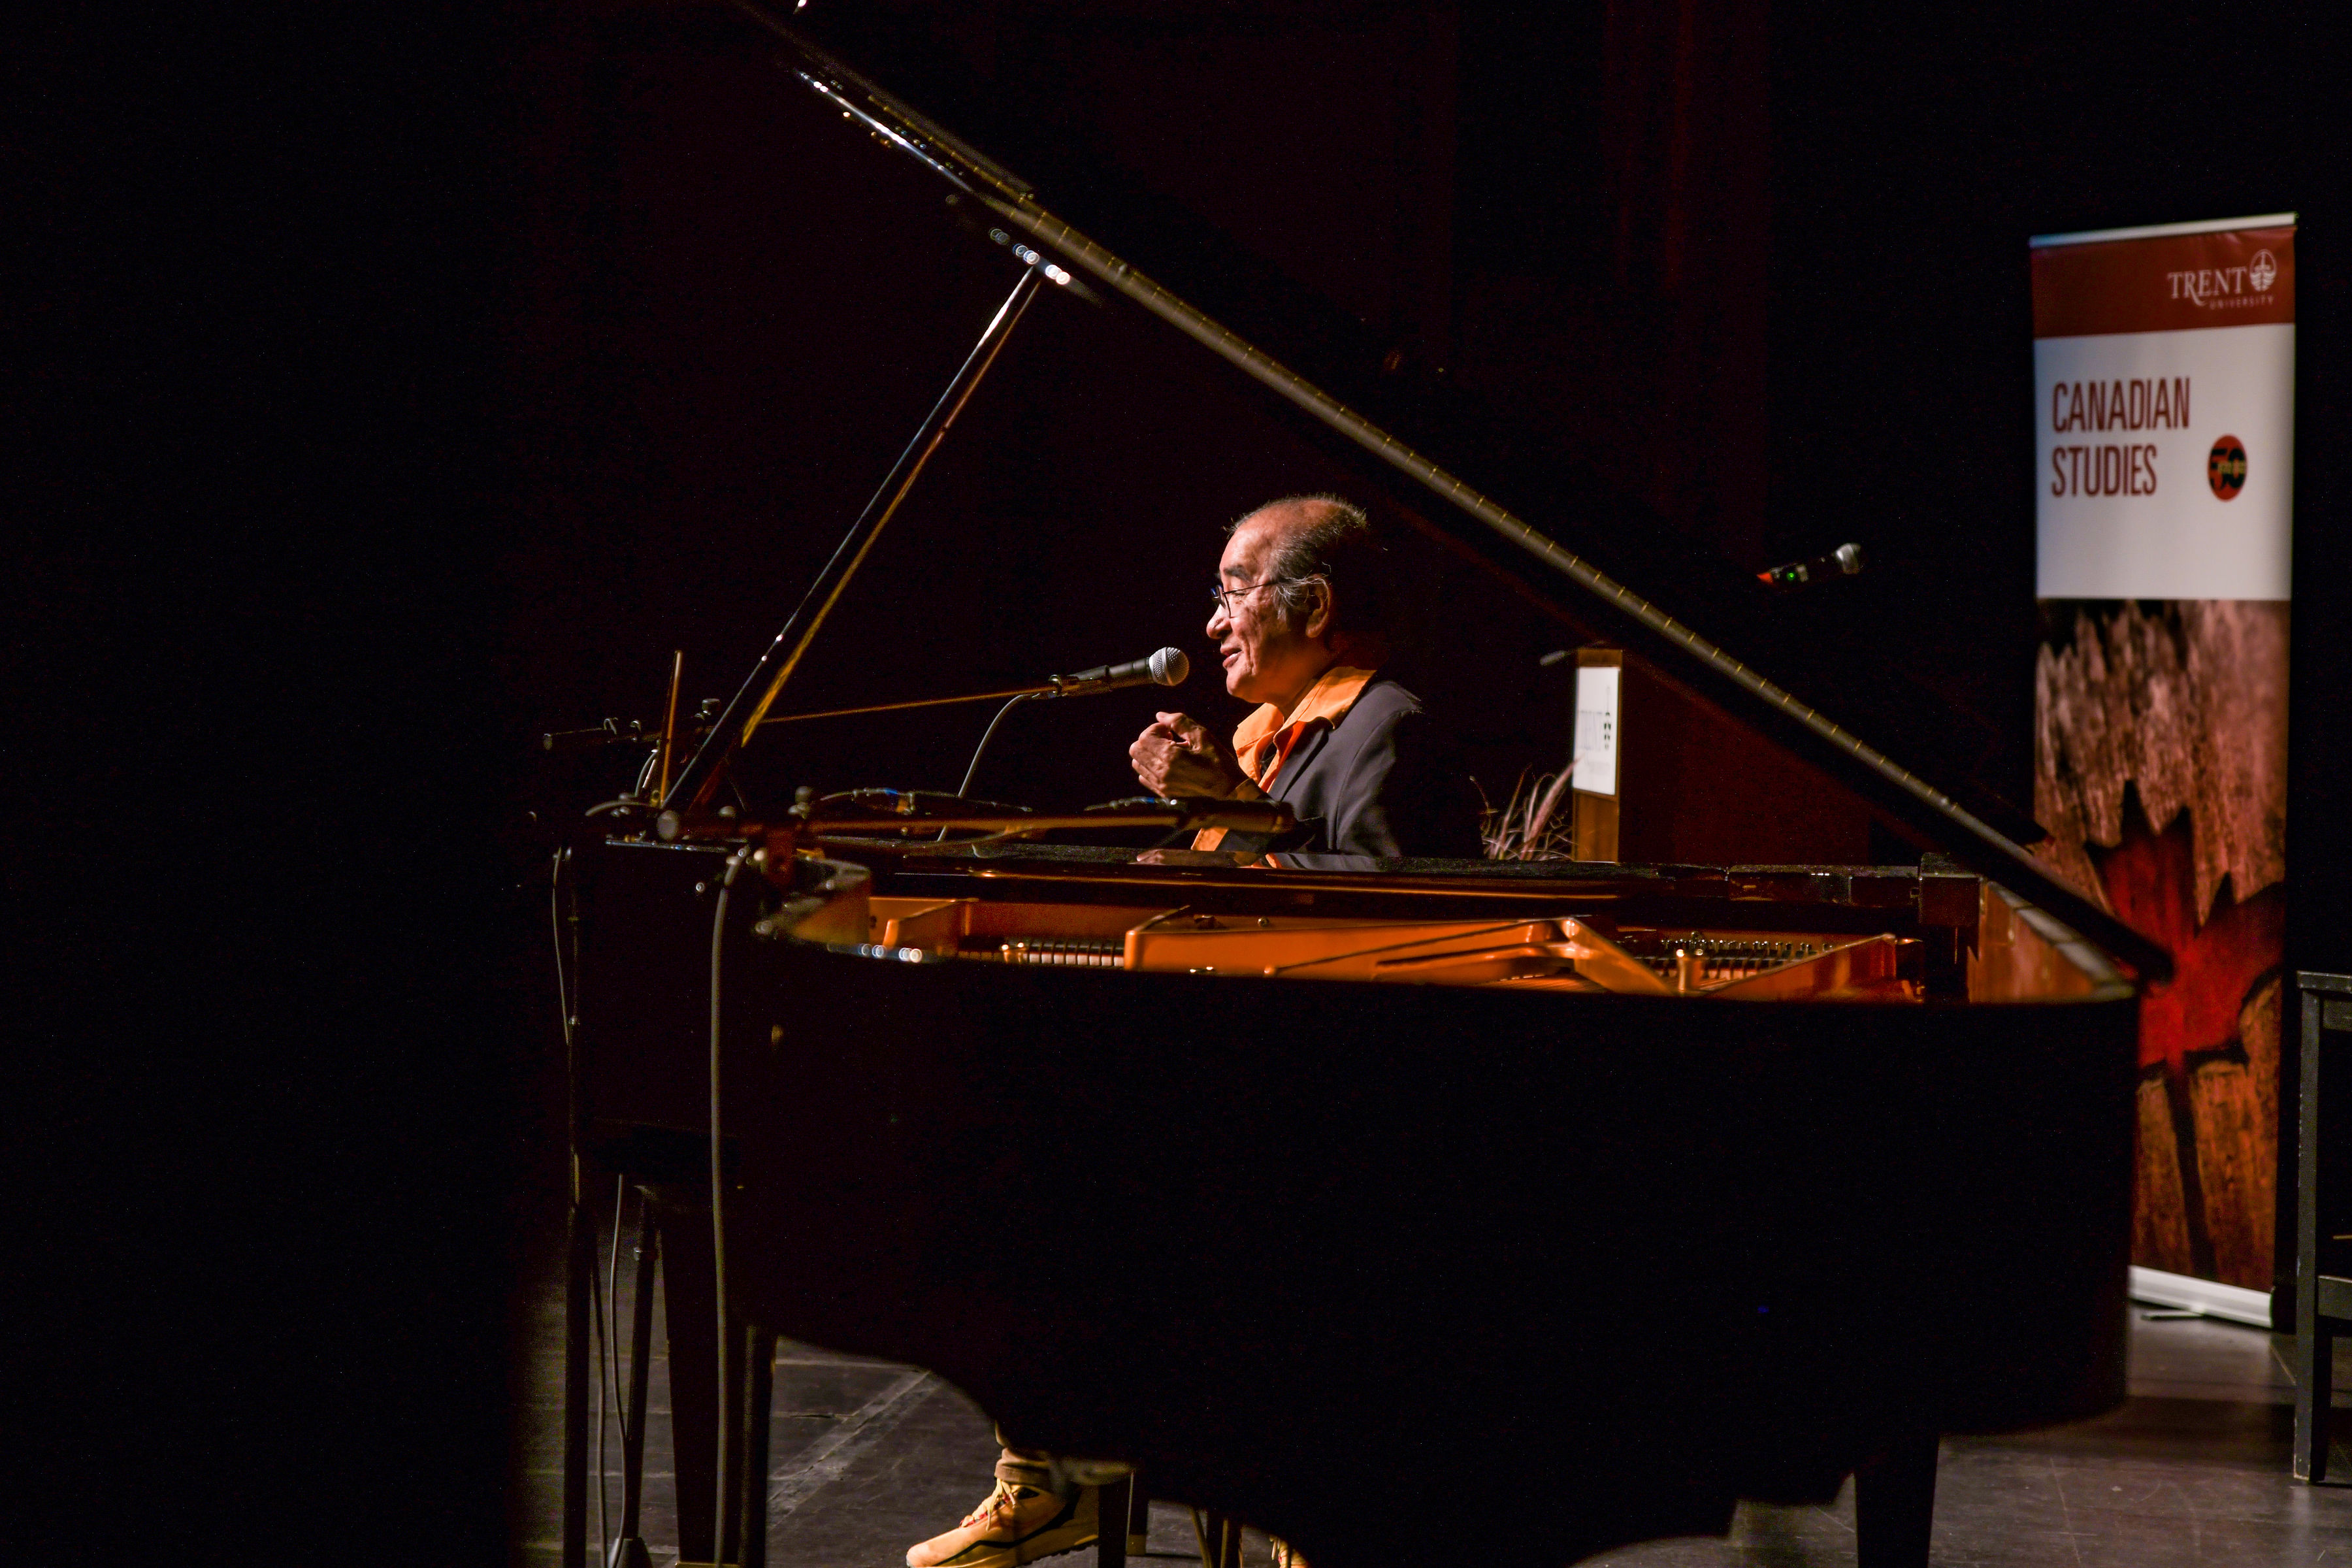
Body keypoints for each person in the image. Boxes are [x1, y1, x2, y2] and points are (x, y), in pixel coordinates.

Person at [906, 496, 1473, 1568]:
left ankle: (1240, 1496)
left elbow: (1392, 907)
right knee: (1021, 1165)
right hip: (1245, 1076)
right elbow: (1258, 871)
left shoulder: (1387, 723)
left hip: (1340, 1108)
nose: (1213, 621)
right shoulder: (1280, 736)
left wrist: (1232, 819)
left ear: (1315, 606)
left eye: (1233, 592)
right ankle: (1059, 1472)